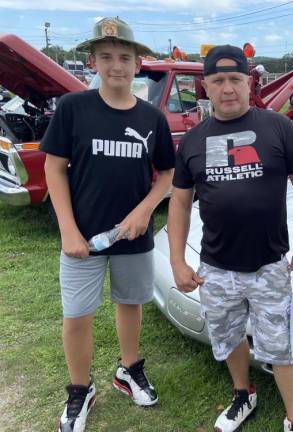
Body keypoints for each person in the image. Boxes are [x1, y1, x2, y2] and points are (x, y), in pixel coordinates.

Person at [168, 44, 293, 432]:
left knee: (281, 345)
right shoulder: (194, 139)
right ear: (206, 86)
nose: (228, 88)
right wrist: (177, 261)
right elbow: (180, 204)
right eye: (218, 80)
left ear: (249, 81)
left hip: (269, 264)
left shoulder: (277, 127)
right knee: (229, 336)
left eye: (235, 79)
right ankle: (242, 394)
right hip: (216, 268)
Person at [41, 17, 175, 432]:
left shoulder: (153, 117)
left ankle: (128, 369)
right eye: (106, 57)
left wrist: (145, 210)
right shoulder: (73, 108)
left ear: (138, 63)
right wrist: (68, 229)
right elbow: (54, 168)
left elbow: (167, 176)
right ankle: (80, 388)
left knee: (129, 303)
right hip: (82, 236)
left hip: (132, 236)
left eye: (124, 57)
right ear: (92, 62)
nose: (116, 65)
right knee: (77, 314)